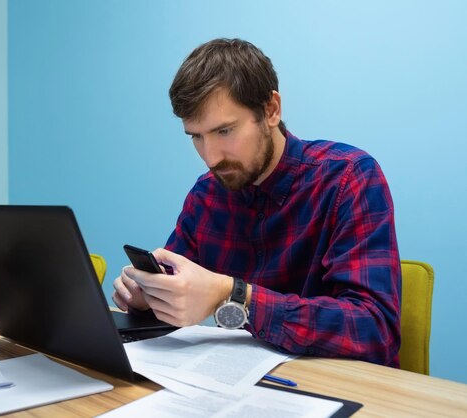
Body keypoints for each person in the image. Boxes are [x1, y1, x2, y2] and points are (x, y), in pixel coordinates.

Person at [112, 38, 401, 367]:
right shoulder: (206, 194)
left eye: (224, 131)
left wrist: (234, 296)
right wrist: (150, 295)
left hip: (343, 391)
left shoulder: (349, 178)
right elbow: (180, 290)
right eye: (196, 136)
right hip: (239, 387)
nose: (210, 157)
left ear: (271, 110)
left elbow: (375, 331)